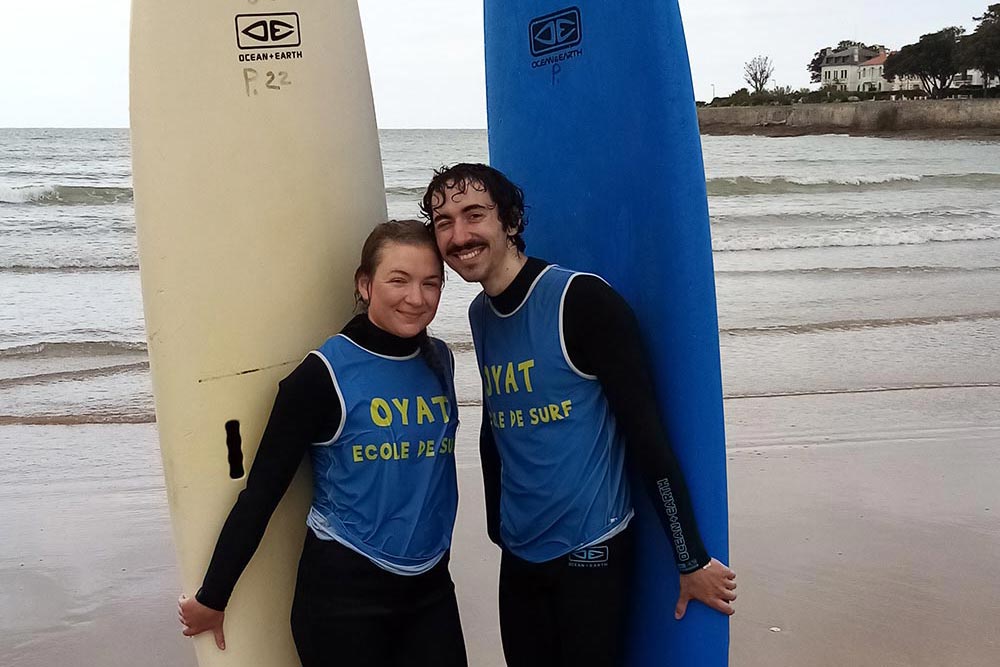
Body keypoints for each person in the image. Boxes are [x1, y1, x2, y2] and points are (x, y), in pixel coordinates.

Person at [420, 164, 737, 666]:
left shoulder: (580, 301)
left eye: (474, 214)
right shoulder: (481, 315)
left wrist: (690, 556)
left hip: (591, 549)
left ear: (511, 220)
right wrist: (496, 524)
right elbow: (497, 419)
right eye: (443, 222)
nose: (458, 235)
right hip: (521, 551)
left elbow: (646, 434)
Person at [177, 219, 468, 667]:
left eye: (431, 283)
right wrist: (214, 595)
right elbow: (262, 492)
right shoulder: (323, 375)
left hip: (430, 589)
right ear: (365, 284)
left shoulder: (440, 361)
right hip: (344, 600)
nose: (417, 297)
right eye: (399, 280)